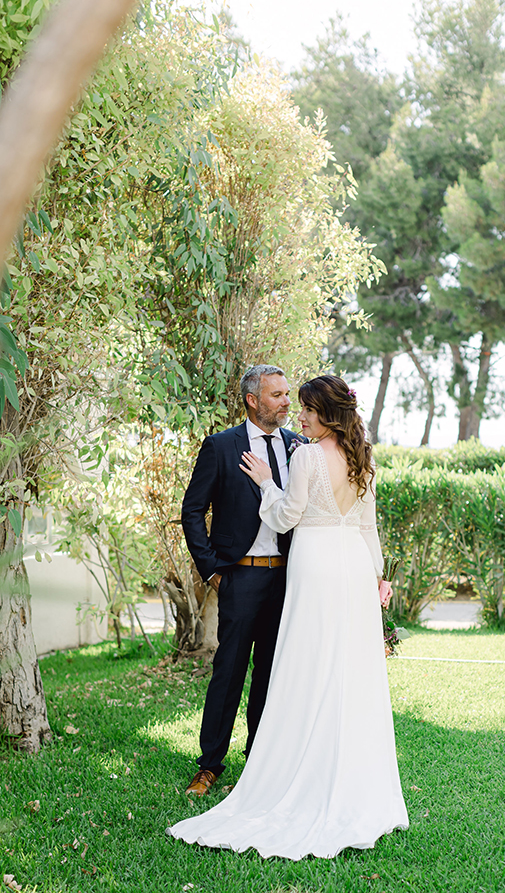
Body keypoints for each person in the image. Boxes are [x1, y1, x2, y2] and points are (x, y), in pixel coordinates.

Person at [168, 375, 409, 859]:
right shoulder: (363, 457)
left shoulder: (304, 453)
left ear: (325, 413)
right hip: (352, 570)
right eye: (288, 402)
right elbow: (368, 528)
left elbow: (284, 518)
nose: (297, 414)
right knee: (344, 671)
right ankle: (331, 771)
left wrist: (265, 483)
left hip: (314, 568)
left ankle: (289, 764)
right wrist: (377, 580)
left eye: (304, 408)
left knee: (302, 667)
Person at [180, 364, 306, 796]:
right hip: (240, 577)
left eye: (287, 394)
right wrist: (213, 570)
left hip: (287, 580)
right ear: (253, 400)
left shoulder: (299, 447)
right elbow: (192, 511)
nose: (287, 402)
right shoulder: (220, 446)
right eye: (278, 395)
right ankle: (209, 764)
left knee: (271, 674)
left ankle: (260, 762)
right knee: (228, 673)